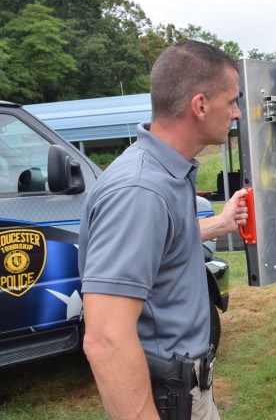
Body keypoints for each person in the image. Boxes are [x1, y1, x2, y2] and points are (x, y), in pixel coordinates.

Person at [79, 40, 247, 419]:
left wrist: (218, 224)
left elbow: (162, 246)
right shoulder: (141, 191)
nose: (236, 113)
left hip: (184, 389)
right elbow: (105, 339)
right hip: (163, 399)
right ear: (200, 106)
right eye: (231, 101)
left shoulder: (167, 171)